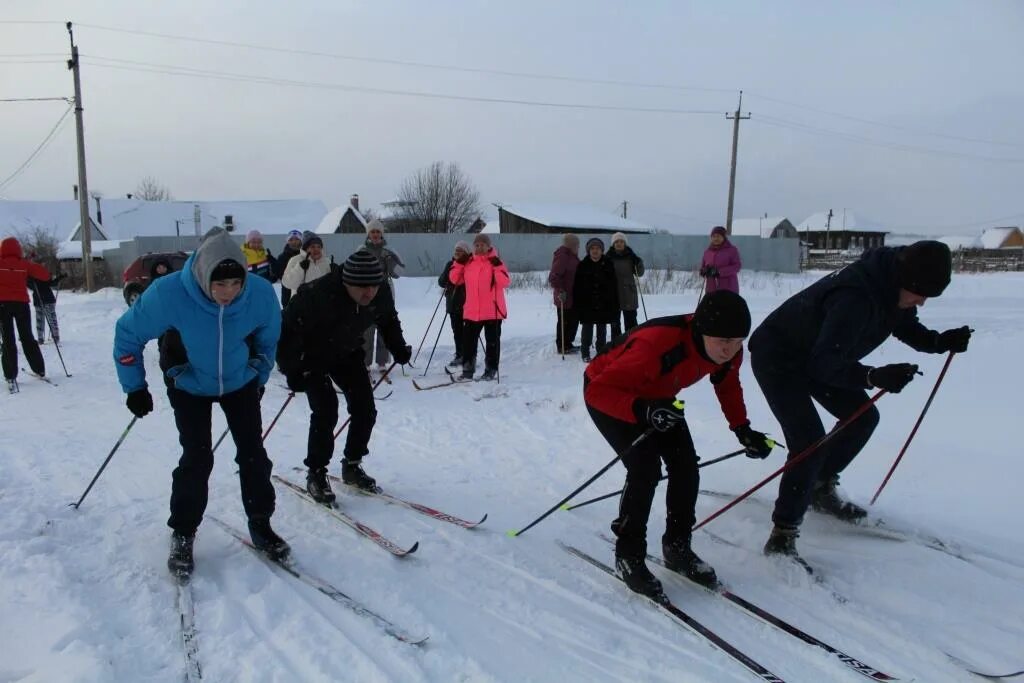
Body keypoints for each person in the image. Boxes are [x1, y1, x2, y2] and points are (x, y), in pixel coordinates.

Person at [748, 240, 972, 565]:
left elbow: (904, 324)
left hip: (818, 356)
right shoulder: (855, 297)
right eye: (920, 293)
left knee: (862, 417)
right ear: (904, 280)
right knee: (808, 440)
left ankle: (819, 486)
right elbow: (824, 364)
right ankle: (782, 535)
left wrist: (938, 342)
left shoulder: (893, 285)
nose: (921, 301)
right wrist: (873, 376)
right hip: (779, 357)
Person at [112, 227, 288, 577]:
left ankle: (260, 523)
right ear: (203, 275)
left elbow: (269, 339)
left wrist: (259, 374)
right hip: (188, 381)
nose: (228, 293)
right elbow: (127, 335)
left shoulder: (260, 295)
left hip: (238, 381)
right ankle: (183, 531)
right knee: (197, 457)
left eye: (235, 284)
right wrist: (135, 387)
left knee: (253, 453)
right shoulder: (169, 293)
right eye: (220, 284)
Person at [583, 290, 775, 598]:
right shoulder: (657, 344)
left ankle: (677, 546)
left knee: (686, 466)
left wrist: (743, 429)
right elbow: (598, 390)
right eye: (723, 341)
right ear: (700, 331)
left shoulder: (729, 350)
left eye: (738, 341)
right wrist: (643, 410)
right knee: (645, 469)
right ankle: (628, 556)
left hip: (659, 397)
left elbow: (727, 385)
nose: (730, 349)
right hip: (611, 394)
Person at [277, 249, 412, 503]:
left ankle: (352, 464)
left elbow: (388, 320)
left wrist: (398, 348)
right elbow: (285, 331)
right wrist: (292, 369)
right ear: (345, 282)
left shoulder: (378, 290)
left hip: (346, 350)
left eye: (373, 286)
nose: (368, 292)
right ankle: (316, 473)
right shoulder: (317, 294)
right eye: (361, 287)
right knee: (326, 410)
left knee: (365, 409)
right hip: (311, 355)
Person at [449, 234, 509, 382]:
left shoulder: (496, 262)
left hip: (492, 310)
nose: (479, 247)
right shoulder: (468, 262)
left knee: (492, 343)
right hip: (472, 311)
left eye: (483, 245)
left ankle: (491, 370)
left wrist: (496, 266)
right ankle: (467, 370)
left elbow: (504, 282)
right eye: (477, 245)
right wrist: (458, 263)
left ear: (489, 247)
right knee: (468, 342)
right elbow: (454, 279)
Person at [0, 237, 50, 391]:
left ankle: (10, 374)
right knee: (27, 336)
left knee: (8, 339)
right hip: (22, 304)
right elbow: (45, 275)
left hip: (2, 305)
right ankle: (39, 368)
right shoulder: (24, 264)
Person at [362, 219, 404, 376]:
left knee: (383, 329)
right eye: (372, 232)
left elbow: (399, 273)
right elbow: (354, 270)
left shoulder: (388, 251)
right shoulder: (361, 250)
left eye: (377, 232)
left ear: (381, 234)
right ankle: (365, 362)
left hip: (384, 295)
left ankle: (382, 362)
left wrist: (390, 261)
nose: (375, 235)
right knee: (366, 330)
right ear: (368, 233)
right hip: (366, 294)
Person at [573, 238, 619, 362]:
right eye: (592, 249)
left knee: (601, 330)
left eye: (597, 248)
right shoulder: (582, 265)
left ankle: (601, 351)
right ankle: (585, 352)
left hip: (604, 303)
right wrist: (578, 304)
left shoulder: (608, 264)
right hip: (587, 303)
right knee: (587, 330)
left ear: (601, 250)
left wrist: (613, 302)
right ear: (589, 251)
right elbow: (577, 287)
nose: (595, 251)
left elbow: (613, 285)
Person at [438, 241, 470, 369]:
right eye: (456, 250)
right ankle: (459, 355)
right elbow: (441, 281)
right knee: (457, 331)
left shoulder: (470, 265)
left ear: (466, 252)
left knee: (469, 333)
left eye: (460, 250)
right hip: (453, 303)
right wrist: (448, 278)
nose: (457, 252)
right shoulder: (450, 264)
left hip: (468, 304)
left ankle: (468, 356)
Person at [607, 232, 646, 337]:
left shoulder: (631, 257)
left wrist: (639, 263)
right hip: (613, 293)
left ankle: (632, 341)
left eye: (621, 242)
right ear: (613, 244)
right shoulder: (608, 257)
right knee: (615, 322)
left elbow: (640, 273)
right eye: (616, 242)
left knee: (631, 321)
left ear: (625, 244)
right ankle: (617, 343)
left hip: (629, 293)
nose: (619, 244)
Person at [547, 233, 580, 354]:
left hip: (573, 295)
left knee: (572, 320)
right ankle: (562, 346)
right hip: (564, 296)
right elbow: (554, 277)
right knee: (565, 321)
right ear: (572, 245)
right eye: (577, 245)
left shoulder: (571, 256)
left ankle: (568, 344)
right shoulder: (563, 256)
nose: (578, 248)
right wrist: (561, 291)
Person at [28, 253, 65, 345]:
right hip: (47, 299)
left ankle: (41, 338)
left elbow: (30, 285)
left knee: (40, 319)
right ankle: (55, 335)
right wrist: (60, 278)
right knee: (51, 317)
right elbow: (52, 283)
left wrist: (60, 277)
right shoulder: (44, 274)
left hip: (40, 300)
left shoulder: (32, 276)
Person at [281, 231, 331, 297]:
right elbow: (287, 283)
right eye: (312, 247)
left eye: (319, 247)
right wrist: (300, 268)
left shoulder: (327, 261)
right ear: (305, 248)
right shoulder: (295, 260)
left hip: (322, 304)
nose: (316, 249)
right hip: (301, 304)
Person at [700, 226, 741, 294]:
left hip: (728, 289)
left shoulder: (732, 250)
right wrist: (703, 271)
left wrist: (719, 272)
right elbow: (703, 266)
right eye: (713, 236)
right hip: (711, 289)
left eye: (718, 236)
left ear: (724, 237)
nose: (716, 238)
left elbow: (737, 266)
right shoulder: (707, 252)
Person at [275, 229, 304, 307]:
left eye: (297, 239)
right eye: (291, 239)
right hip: (287, 294)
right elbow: (281, 276)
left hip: (305, 293)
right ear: (288, 241)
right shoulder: (282, 257)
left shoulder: (307, 255)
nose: (294, 242)